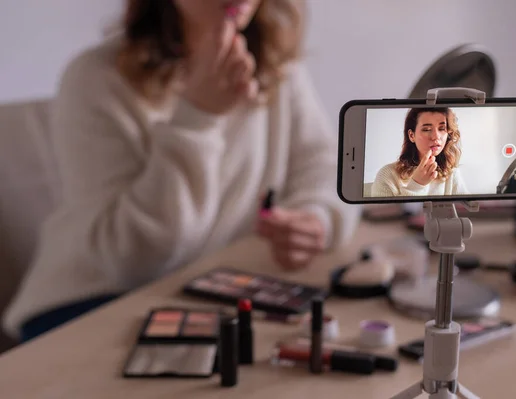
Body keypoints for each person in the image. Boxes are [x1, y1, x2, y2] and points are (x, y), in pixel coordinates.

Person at [3, 0, 359, 342]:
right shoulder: (96, 79)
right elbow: (134, 260)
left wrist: (317, 219)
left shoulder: (276, 67)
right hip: (91, 301)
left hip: (211, 288)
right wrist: (199, 118)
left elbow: (322, 166)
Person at [371, 107, 468, 197]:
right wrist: (416, 185)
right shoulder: (388, 175)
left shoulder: (451, 173)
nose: (436, 136)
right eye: (427, 129)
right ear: (411, 135)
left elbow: (468, 209)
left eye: (442, 128)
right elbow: (385, 215)